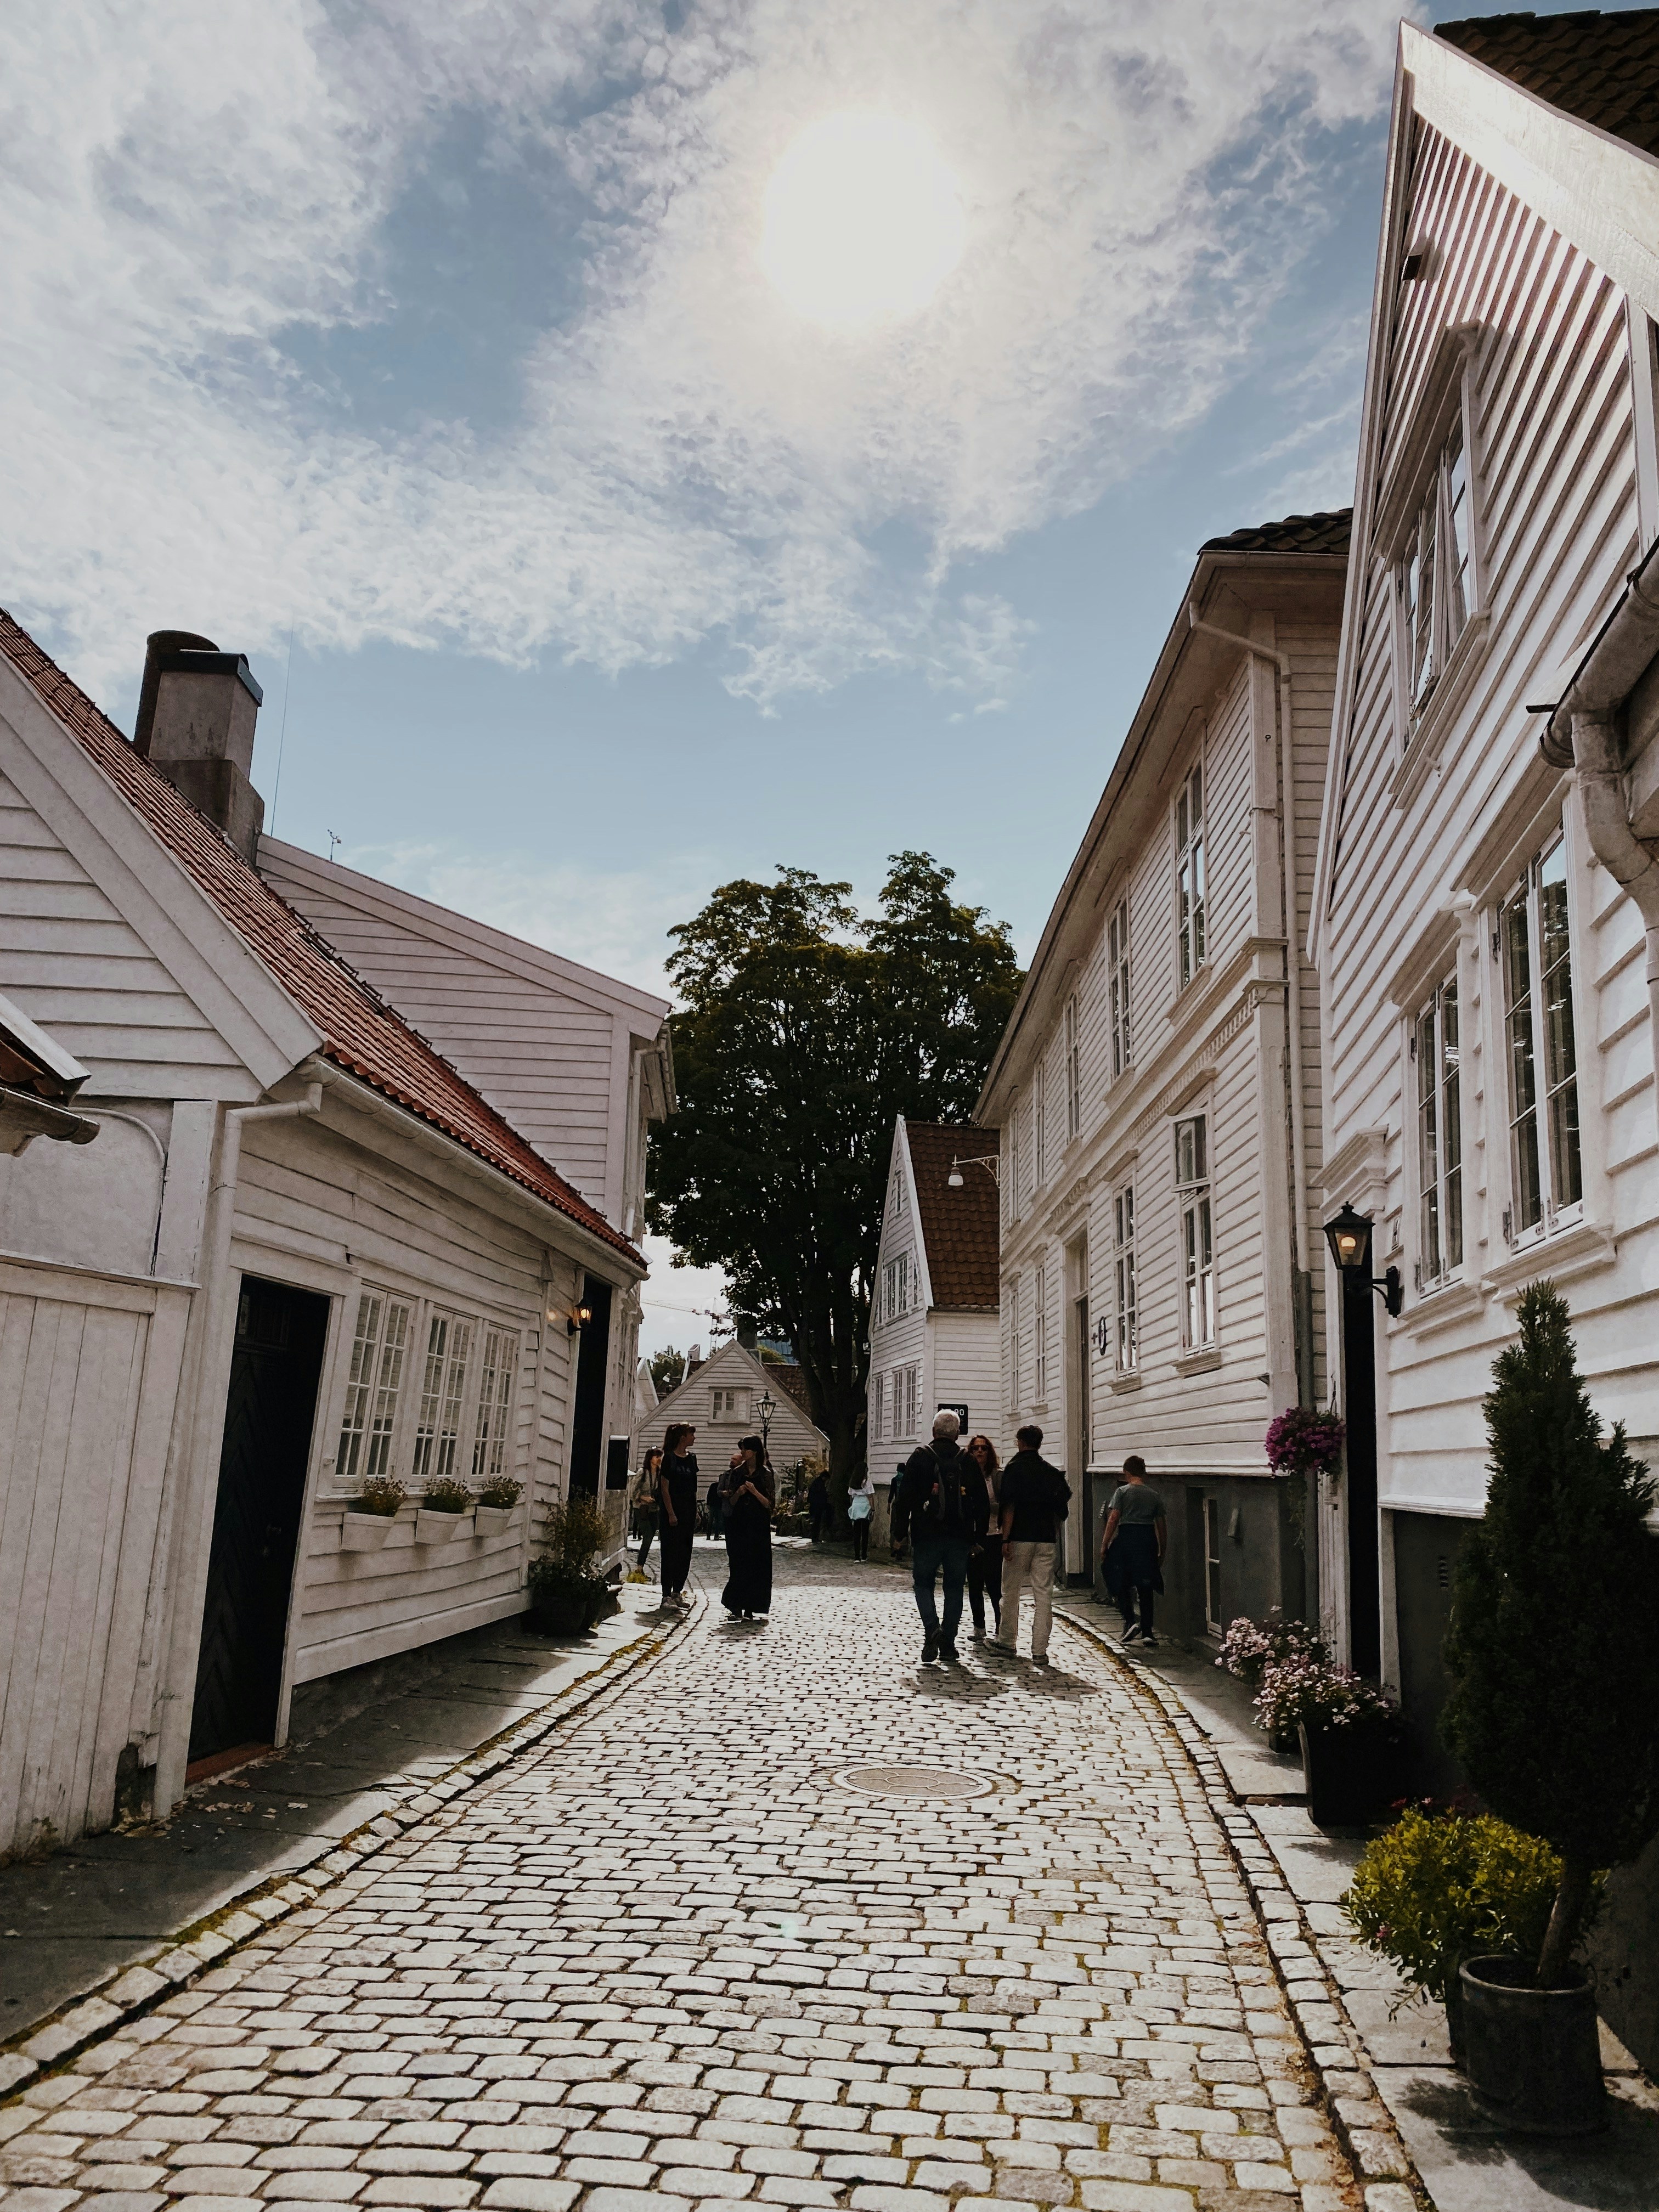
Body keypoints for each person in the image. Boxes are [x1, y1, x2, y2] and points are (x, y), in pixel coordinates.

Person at [890, 1409, 973, 1664]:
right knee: (955, 1588)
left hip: (926, 1534)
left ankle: (932, 1630)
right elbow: (979, 1501)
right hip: (959, 1536)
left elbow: (904, 1499)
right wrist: (977, 1536)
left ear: (934, 1432)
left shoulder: (921, 1457)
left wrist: (899, 1533)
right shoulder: (966, 1460)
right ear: (957, 1433)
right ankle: (948, 1641)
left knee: (924, 1584)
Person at [996, 1423, 1071, 1668]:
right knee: (1043, 1595)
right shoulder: (1050, 1473)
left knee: (1011, 1592)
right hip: (1045, 1539)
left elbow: (1009, 1507)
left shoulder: (1014, 1469)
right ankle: (1040, 1651)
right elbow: (1062, 1509)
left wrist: (1005, 1539)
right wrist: (1053, 1534)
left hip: (1019, 1537)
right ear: (1039, 1443)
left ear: (1020, 1442)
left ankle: (1007, 1641)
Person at [1102, 1454, 1166, 1647]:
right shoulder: (1154, 1496)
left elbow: (1114, 1519)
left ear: (1126, 1473)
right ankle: (1148, 1632)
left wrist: (1105, 1544)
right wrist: (1163, 1550)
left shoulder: (1122, 1492)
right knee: (1145, 1584)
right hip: (1147, 1540)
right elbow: (1162, 1526)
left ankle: (1129, 1620)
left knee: (1116, 1576)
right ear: (1144, 1473)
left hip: (1127, 1538)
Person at [720, 1434, 776, 1618]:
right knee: (739, 1565)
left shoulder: (766, 1475)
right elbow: (732, 1501)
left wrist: (754, 1492)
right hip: (739, 1524)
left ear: (754, 1451)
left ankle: (751, 1607)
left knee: (757, 1567)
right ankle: (735, 1605)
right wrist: (740, 1492)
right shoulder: (737, 1473)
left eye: (745, 1449)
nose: (742, 1452)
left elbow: (770, 1504)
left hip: (758, 1526)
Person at [964, 1435, 1003, 1644]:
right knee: (975, 1584)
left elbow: (1006, 1506)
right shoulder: (965, 1477)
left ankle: (1000, 1627)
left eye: (984, 1448)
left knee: (995, 1586)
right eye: (975, 1449)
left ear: (990, 1452)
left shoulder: (996, 1477)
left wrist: (985, 1508)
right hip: (973, 1538)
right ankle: (979, 1627)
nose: (979, 1452)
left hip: (994, 1536)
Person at [657, 1422, 699, 1608]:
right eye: (691, 1434)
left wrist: (696, 1512)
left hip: (688, 1512)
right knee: (670, 1553)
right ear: (683, 1437)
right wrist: (671, 1513)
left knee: (685, 1554)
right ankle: (666, 1595)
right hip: (671, 1513)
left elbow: (693, 1489)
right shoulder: (669, 1459)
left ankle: (677, 1592)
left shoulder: (692, 1459)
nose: (694, 1438)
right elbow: (665, 1489)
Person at [632, 1447, 663, 1573]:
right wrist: (644, 1497)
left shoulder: (660, 1474)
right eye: (657, 1457)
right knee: (648, 1536)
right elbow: (632, 1492)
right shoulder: (643, 1472)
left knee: (650, 1538)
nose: (660, 1459)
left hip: (654, 1509)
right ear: (650, 1459)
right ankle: (639, 1568)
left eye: (661, 1456)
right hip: (641, 1509)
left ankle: (640, 1567)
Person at [847, 1471, 875, 1560]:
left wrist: (853, 1506)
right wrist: (873, 1509)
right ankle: (864, 1555)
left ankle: (856, 1556)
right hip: (865, 1505)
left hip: (856, 1505)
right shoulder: (867, 1481)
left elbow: (851, 1495)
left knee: (856, 1532)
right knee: (865, 1532)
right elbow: (870, 1496)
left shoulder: (853, 1482)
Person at [807, 1466, 832, 1545]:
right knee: (817, 1522)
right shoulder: (819, 1483)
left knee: (816, 1522)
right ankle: (815, 1538)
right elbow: (821, 1494)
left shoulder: (817, 1482)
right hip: (817, 1506)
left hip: (815, 1506)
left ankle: (815, 1538)